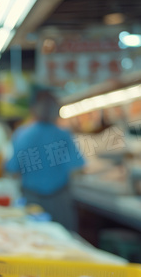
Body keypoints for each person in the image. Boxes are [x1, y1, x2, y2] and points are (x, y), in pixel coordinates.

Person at [5, 89, 85, 232]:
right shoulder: (64, 135)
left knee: (35, 241)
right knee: (63, 242)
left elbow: (12, 169)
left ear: (33, 109)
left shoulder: (22, 134)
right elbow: (78, 168)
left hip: (32, 200)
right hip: (60, 199)